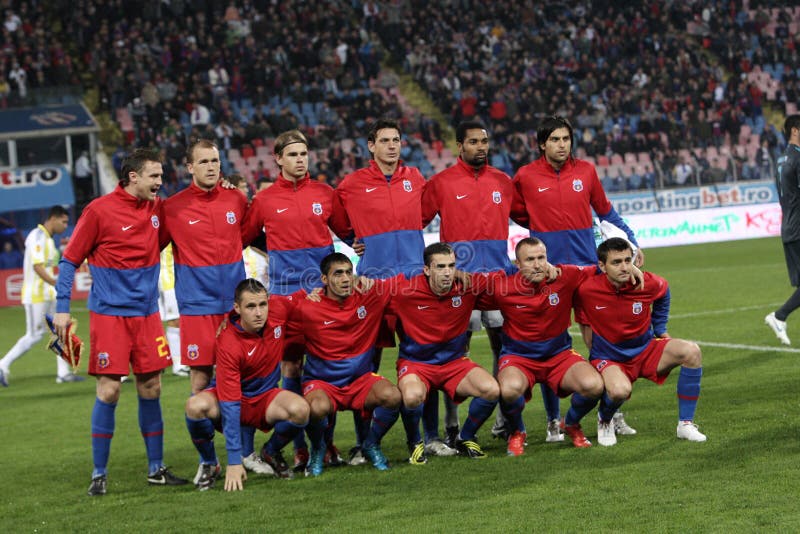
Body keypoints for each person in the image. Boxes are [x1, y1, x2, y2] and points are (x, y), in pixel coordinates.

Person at [53, 148, 188, 496]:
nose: (160, 182)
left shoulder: (158, 209)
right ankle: (99, 473)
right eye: (154, 177)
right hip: (110, 314)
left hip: (146, 314)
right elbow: (69, 262)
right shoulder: (99, 211)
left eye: (161, 176)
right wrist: (62, 308)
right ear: (133, 178)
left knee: (152, 388)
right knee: (110, 390)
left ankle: (156, 469)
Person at [514, 115, 642, 439]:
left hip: (587, 270)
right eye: (555, 139)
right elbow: (517, 212)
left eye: (566, 139)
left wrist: (632, 242)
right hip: (550, 274)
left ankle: (611, 412)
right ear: (542, 143)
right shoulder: (526, 176)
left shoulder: (585, 171)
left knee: (600, 341)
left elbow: (606, 211)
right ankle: (553, 420)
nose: (561, 145)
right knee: (550, 343)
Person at [160, 140, 272, 477]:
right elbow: (148, 248)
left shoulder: (235, 199)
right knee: (200, 381)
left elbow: (255, 237)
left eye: (216, 161)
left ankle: (247, 454)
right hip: (197, 307)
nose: (212, 167)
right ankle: (209, 461)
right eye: (204, 162)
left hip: (234, 307)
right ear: (189, 167)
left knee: (245, 379)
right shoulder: (172, 207)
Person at [241, 130, 352, 471]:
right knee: (290, 367)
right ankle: (301, 447)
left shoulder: (324, 193)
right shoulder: (264, 200)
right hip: (285, 298)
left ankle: (325, 444)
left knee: (325, 369)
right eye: (293, 155)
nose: (300, 159)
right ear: (278, 158)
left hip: (321, 295)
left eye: (304, 153)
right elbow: (244, 237)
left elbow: (348, 232)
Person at [420, 119, 527, 452]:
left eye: (485, 141)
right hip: (458, 285)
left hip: (497, 281)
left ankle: (502, 418)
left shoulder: (502, 181)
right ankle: (451, 427)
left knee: (505, 351)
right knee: (454, 355)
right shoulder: (441, 183)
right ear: (459, 146)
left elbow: (530, 216)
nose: (481, 147)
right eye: (474, 142)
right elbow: (414, 224)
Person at [331, 117, 427, 463]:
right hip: (372, 286)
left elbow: (425, 215)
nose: (391, 146)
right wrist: (352, 240)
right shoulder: (352, 184)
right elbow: (336, 218)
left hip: (414, 284)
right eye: (384, 140)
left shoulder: (415, 178)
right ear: (371, 146)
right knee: (365, 364)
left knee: (423, 359)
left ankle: (427, 438)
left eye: (396, 140)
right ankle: (363, 441)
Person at [575, 237, 706, 445]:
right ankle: (605, 420)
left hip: (645, 350)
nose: (624, 267)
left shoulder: (646, 282)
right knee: (619, 391)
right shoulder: (586, 288)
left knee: (691, 351)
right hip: (610, 357)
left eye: (628, 260)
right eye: (616, 262)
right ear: (601, 266)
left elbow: (664, 290)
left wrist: (660, 328)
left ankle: (685, 424)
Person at [483, 238, 607, 455]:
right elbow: (464, 289)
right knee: (509, 390)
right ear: (517, 264)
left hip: (559, 355)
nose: (537, 264)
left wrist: (633, 266)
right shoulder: (502, 284)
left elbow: (602, 269)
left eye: (541, 258)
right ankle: (517, 432)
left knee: (594, 386)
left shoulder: (565, 275)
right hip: (518, 357)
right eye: (530, 260)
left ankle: (570, 423)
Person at [184, 279, 310, 490]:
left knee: (301, 410)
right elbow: (231, 402)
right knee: (194, 406)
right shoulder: (228, 342)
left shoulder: (277, 310)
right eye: (250, 307)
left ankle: (271, 451)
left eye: (262, 304)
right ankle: (210, 463)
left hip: (265, 398)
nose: (259, 312)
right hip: (233, 399)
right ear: (237, 308)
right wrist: (234, 461)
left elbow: (300, 296)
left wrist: (318, 292)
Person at [287, 252, 401, 477]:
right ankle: (319, 448)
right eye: (338, 274)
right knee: (316, 408)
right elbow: (273, 309)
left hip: (360, 382)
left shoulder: (369, 297)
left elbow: (403, 283)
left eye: (349, 272)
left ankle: (371, 444)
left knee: (393, 396)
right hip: (323, 384)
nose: (346, 278)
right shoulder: (307, 308)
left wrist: (371, 281)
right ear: (324, 279)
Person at [391, 243, 502, 463]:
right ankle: (415, 443)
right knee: (412, 397)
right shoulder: (403, 291)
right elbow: (366, 292)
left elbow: (501, 281)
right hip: (417, 364)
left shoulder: (466, 284)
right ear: (426, 270)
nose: (448, 272)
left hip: (453, 364)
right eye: (440, 266)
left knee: (491, 390)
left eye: (452, 266)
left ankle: (465, 437)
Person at [0, 206, 83, 386]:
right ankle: (2, 365)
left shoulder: (47, 239)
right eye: (64, 221)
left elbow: (47, 264)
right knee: (34, 335)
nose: (65, 225)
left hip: (47, 294)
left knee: (61, 329)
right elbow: (38, 267)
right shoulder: (37, 236)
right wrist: (57, 284)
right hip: (36, 295)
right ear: (53, 219)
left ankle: (63, 373)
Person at [766, 114, 800, 345]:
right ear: (795, 130)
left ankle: (780, 316)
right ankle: (779, 316)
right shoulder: (797, 159)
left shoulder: (782, 159)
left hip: (789, 226)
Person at [157, 243, 189, 377]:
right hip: (167, 279)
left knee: (179, 320)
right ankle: (178, 364)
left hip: (177, 277)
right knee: (175, 320)